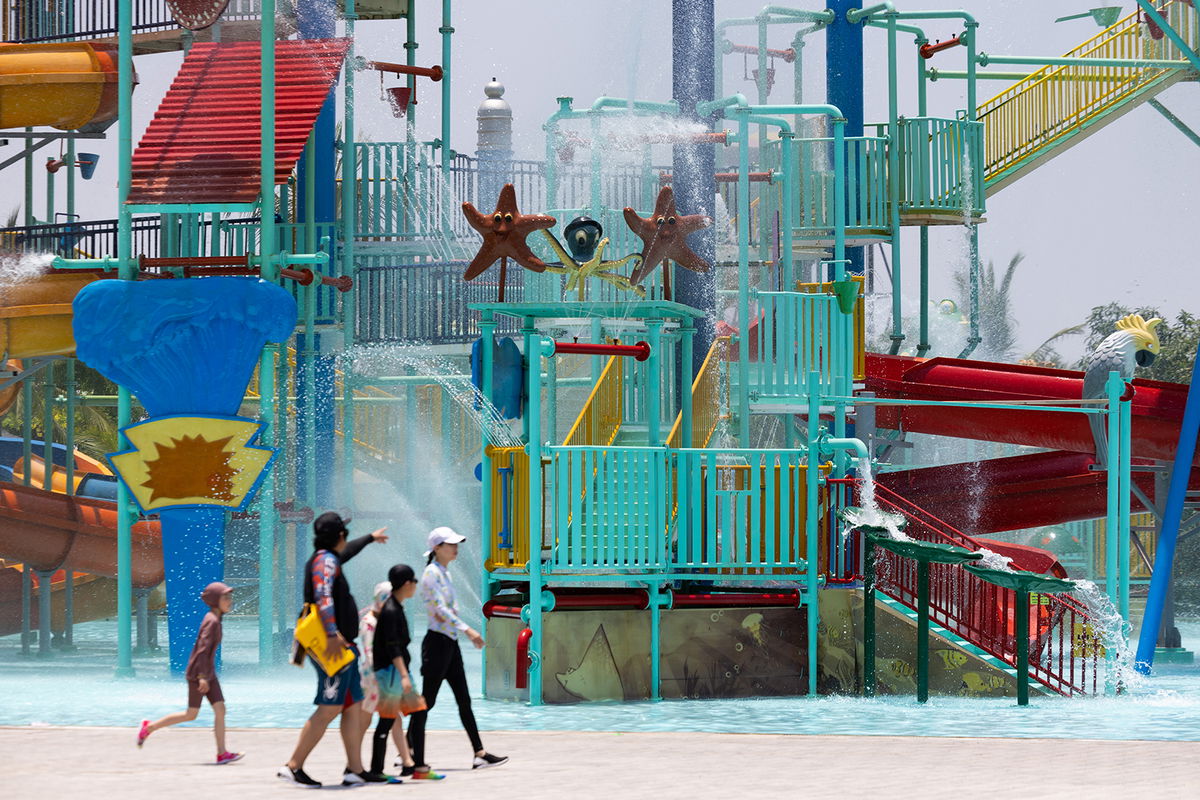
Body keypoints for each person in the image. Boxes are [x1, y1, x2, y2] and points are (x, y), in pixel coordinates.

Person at [278, 511, 388, 788]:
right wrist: (331, 633)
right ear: (340, 535)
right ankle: (293, 766)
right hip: (332, 645)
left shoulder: (328, 557)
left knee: (354, 706)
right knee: (330, 707)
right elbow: (322, 596)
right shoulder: (325, 561)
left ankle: (354, 769)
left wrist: (370, 538)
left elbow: (346, 553)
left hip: (343, 646)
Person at [407, 526, 508, 775]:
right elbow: (440, 609)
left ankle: (480, 754)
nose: (456, 547)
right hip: (437, 643)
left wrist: (460, 632)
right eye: (450, 544)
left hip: (449, 643)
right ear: (436, 548)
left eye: (456, 543)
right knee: (427, 701)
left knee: (464, 700)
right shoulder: (431, 574)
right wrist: (468, 630)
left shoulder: (445, 573)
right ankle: (408, 753)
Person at [136, 582, 242, 765]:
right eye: (225, 598)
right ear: (215, 601)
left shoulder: (215, 618)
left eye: (229, 597)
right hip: (199, 674)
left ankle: (222, 753)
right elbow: (202, 649)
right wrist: (202, 677)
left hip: (207, 673)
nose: (230, 601)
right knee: (191, 714)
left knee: (220, 709)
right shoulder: (212, 621)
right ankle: (149, 728)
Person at [368, 564, 420, 780]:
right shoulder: (390, 611)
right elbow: (392, 647)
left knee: (418, 711)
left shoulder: (397, 607)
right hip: (390, 672)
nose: (416, 585)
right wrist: (404, 675)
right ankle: (376, 769)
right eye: (414, 581)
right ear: (407, 584)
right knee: (387, 719)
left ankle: (414, 764)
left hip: (397, 671)